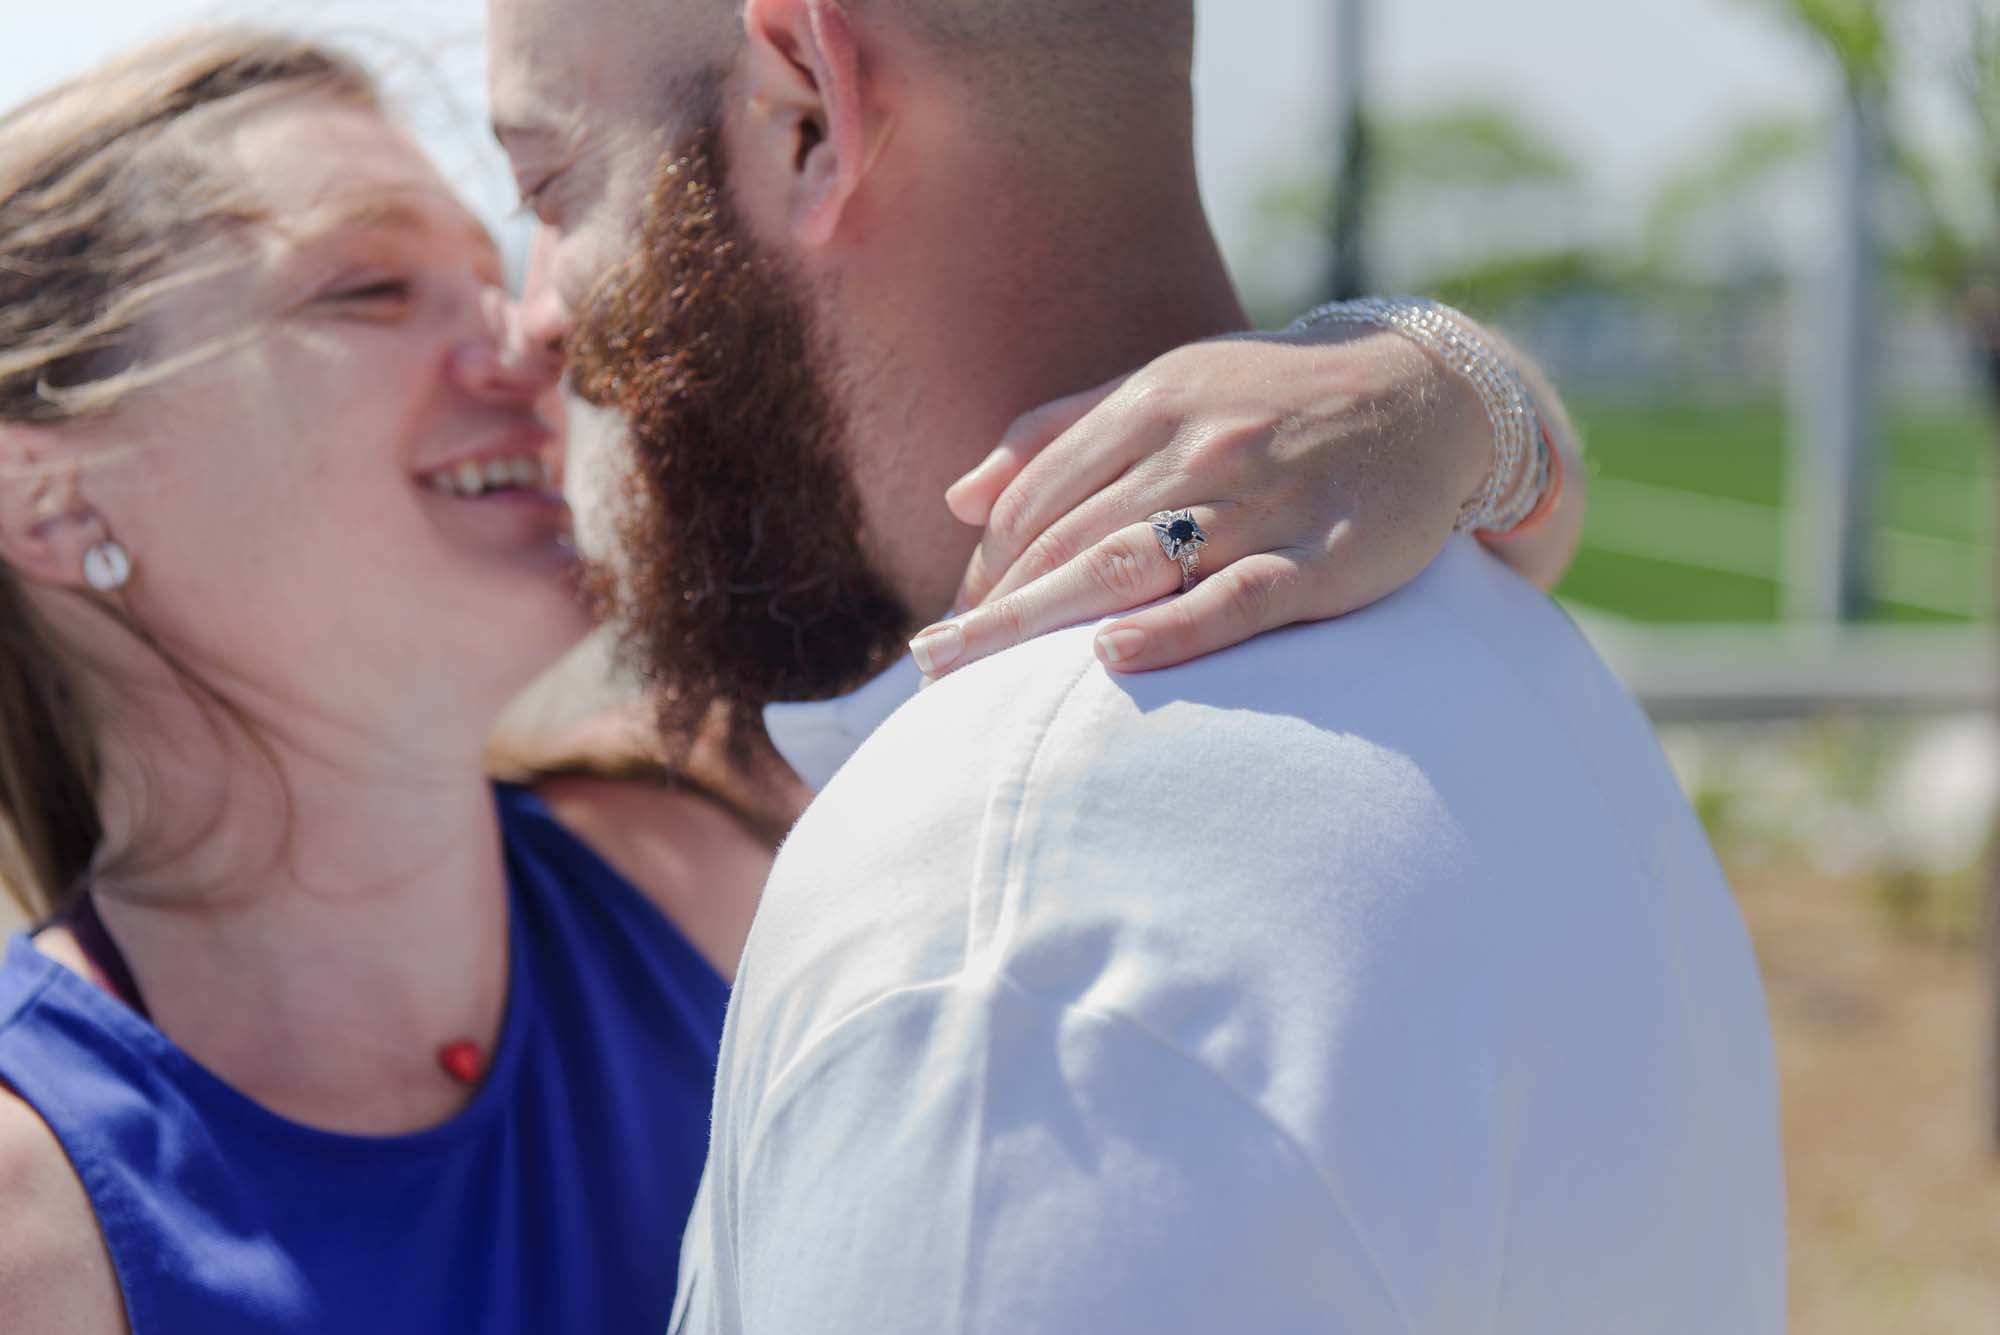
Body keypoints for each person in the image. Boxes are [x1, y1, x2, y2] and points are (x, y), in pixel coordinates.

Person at [0, 27, 1594, 1335]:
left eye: (494, 258)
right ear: (48, 500)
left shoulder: (714, 837)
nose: (528, 336)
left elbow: (1441, 514)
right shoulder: (40, 1203)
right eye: (366, 289)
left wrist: (1412, 388)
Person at [484, 1, 1787, 1331]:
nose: (523, 320)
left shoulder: (1000, 943)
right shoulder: (1505, 650)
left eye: (548, 181)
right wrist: (1450, 379)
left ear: (807, 109)